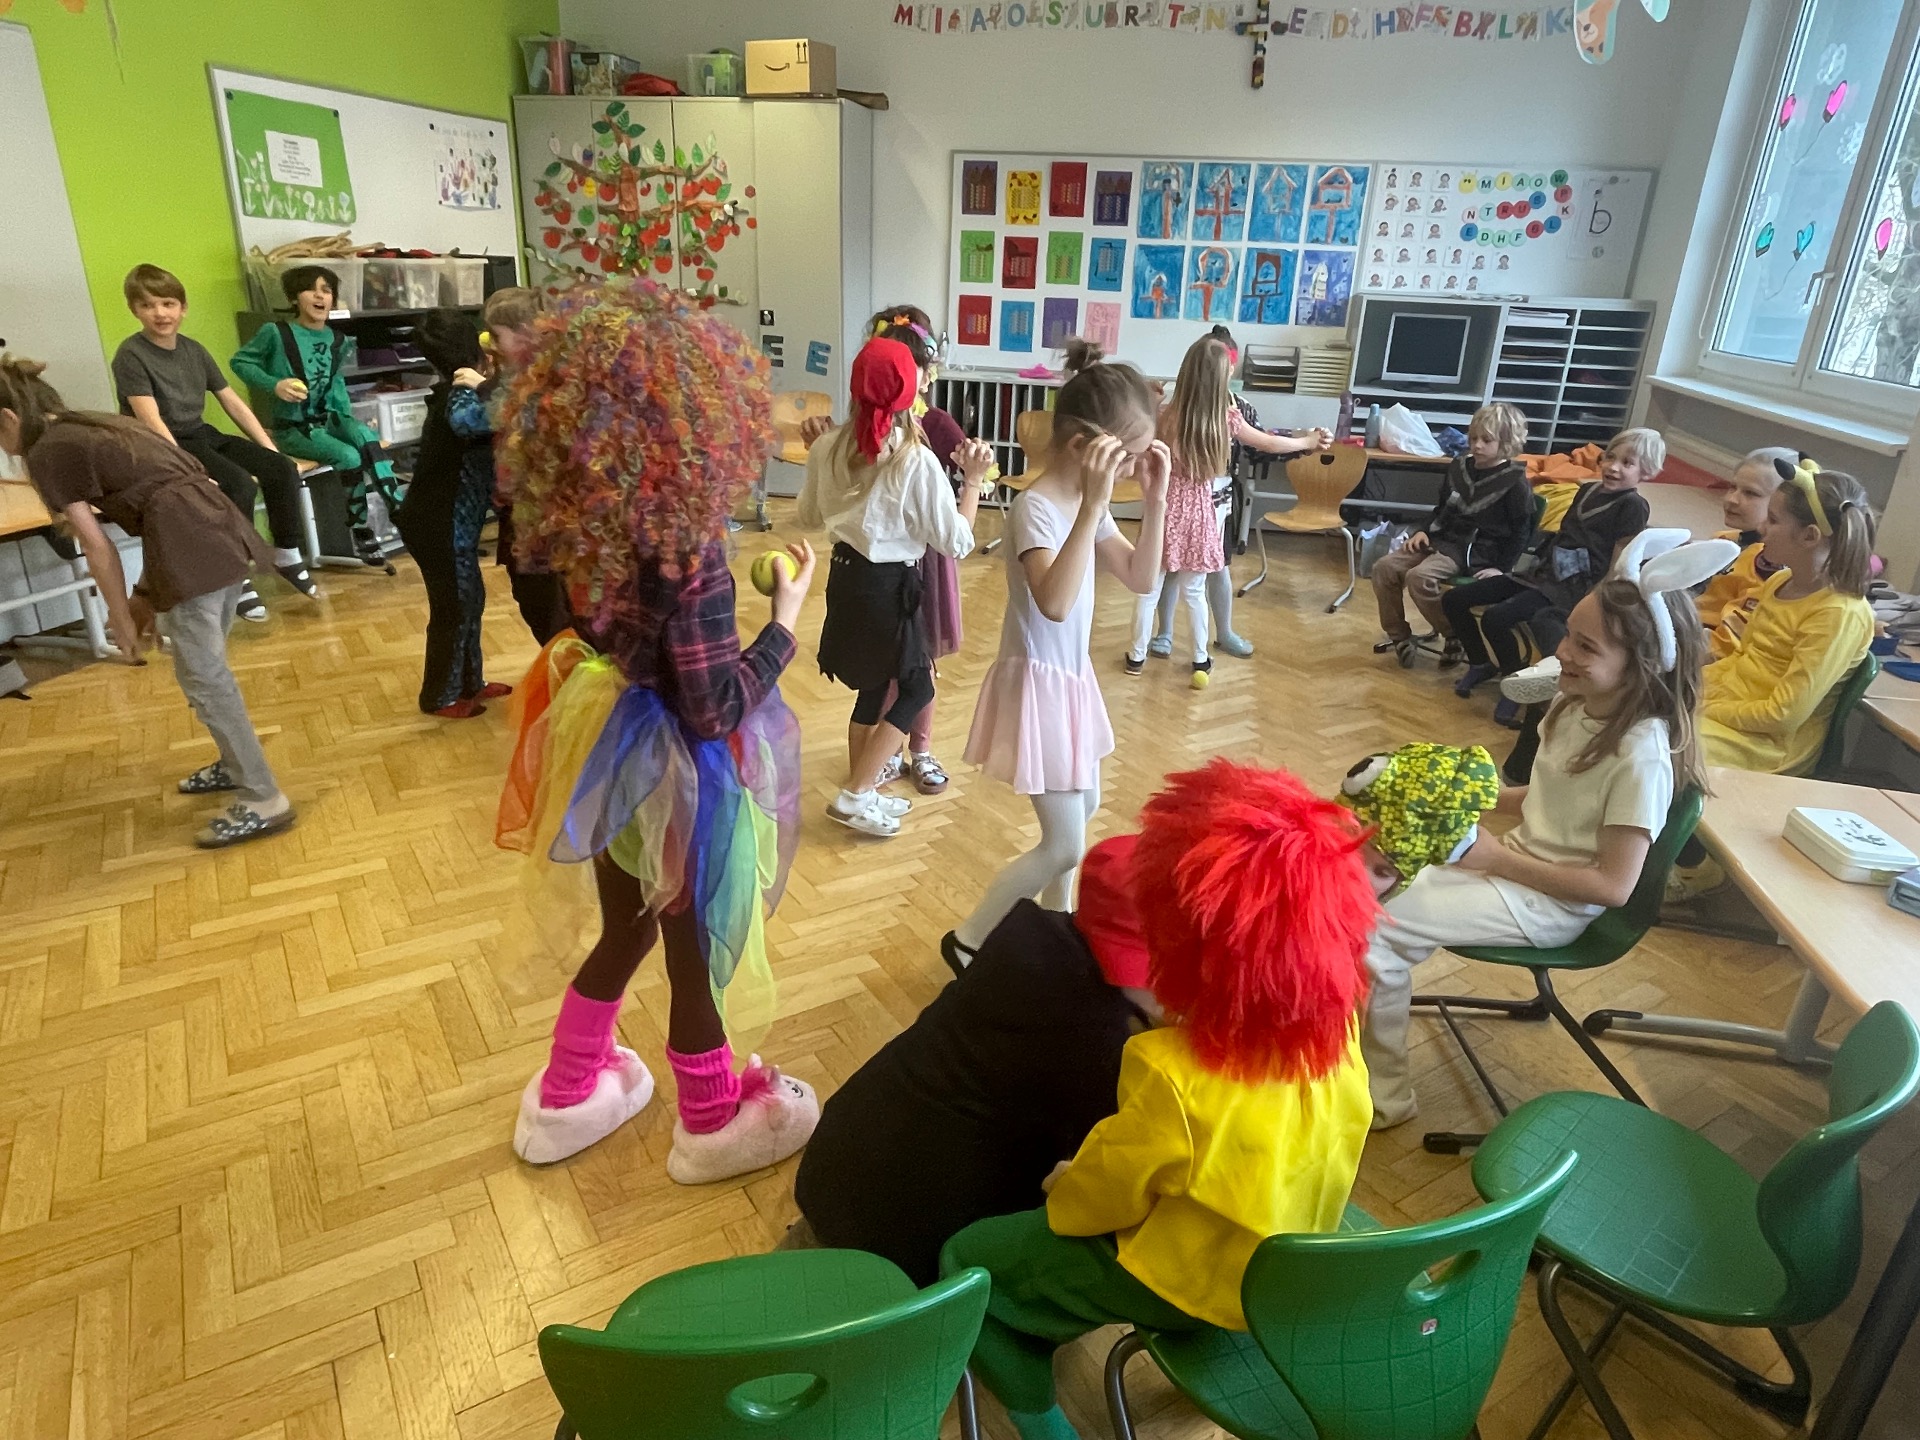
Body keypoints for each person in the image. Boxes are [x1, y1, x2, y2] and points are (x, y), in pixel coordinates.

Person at [939, 761, 1379, 1440]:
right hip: (1287, 1258)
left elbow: (1099, 1201)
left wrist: (1063, 1187)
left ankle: (1043, 1421)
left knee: (969, 1259)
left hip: (1189, 1282)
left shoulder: (1169, 1072)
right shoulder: (1340, 1027)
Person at [497, 280, 820, 1183]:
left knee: (625, 929)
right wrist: (785, 625)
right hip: (680, 774)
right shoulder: (693, 557)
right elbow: (713, 709)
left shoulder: (587, 530)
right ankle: (709, 1117)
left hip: (609, 748)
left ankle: (567, 1088)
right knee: (690, 950)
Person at [1363, 531, 1731, 1128]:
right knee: (1367, 887)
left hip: (1552, 905)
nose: (1562, 651)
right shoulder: (1572, 703)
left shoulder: (1640, 756)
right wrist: (1461, 801)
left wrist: (1494, 861)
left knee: (1372, 937)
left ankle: (1384, 1099)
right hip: (1515, 864)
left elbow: (1613, 887)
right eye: (1568, 635)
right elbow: (1549, 797)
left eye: (1585, 646)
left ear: (1640, 667)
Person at [788, 836, 1159, 1285]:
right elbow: (1106, 1172)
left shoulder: (1030, 933)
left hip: (842, 1152)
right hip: (906, 1236)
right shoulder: (1100, 1034)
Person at [1, 355, 297, 848]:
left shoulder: (49, 450)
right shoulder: (89, 425)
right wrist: (143, 597)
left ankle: (265, 798)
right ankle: (234, 765)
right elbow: (162, 500)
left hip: (191, 539)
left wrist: (119, 617)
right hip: (217, 527)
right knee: (200, 669)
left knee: (205, 676)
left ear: (9, 418)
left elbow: (97, 546)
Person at [946, 359, 1170, 973]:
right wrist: (1094, 507)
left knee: (1085, 809)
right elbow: (1054, 601)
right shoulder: (1037, 508)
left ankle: (1057, 925)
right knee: (1065, 843)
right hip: (1036, 684)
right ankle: (968, 939)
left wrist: (1154, 502)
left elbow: (1142, 577)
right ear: (1082, 449)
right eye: (1127, 458)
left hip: (1069, 681)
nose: (1132, 470)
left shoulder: (1086, 504)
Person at [799, 336, 987, 838]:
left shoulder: (826, 446)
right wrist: (972, 480)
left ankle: (864, 790)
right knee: (917, 686)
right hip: (889, 587)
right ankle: (855, 793)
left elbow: (809, 515)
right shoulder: (915, 459)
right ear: (911, 392)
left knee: (874, 685)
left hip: (845, 580)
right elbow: (956, 542)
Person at [1667, 464, 1878, 900]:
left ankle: (1696, 864)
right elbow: (1742, 660)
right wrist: (1685, 687)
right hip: (1731, 711)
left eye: (1775, 520)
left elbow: (1783, 715)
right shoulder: (1781, 581)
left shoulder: (1838, 613)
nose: (1763, 526)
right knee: (1636, 715)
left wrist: (1701, 706)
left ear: (1810, 536)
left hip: (1770, 742)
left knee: (1660, 747)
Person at [112, 263, 318, 620]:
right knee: (237, 484)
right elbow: (150, 420)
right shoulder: (131, 355)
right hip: (161, 444)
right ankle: (236, 573)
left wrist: (269, 449)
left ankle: (286, 554)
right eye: (148, 305)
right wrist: (186, 466)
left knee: (281, 468)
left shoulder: (194, 350)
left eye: (167, 304)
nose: (160, 313)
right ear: (134, 310)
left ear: (183, 308)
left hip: (200, 434)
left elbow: (232, 402)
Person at [1443, 427, 1659, 726]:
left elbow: (1621, 559)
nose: (1613, 467)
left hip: (1574, 588)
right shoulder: (1586, 490)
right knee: (1455, 599)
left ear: (1646, 472)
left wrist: (1597, 599)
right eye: (1610, 457)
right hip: (1541, 573)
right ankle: (1481, 663)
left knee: (1497, 618)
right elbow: (1563, 536)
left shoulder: (1632, 505)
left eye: (1627, 463)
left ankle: (1516, 682)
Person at [1140, 324, 1331, 663]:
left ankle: (1222, 632)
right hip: (1187, 501)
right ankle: (1166, 634)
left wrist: (1305, 443)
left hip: (1216, 505)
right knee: (1174, 571)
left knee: (1216, 568)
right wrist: (1307, 441)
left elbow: (1266, 446)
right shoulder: (1176, 411)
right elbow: (1268, 443)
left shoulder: (1236, 409)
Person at [231, 265, 404, 568]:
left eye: (326, 290)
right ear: (293, 298)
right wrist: (275, 385)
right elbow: (240, 362)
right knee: (348, 456)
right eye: (311, 289)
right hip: (293, 428)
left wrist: (347, 422)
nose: (320, 296)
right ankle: (360, 528)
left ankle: (401, 511)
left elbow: (336, 383)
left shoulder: (338, 339)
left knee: (366, 436)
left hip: (330, 419)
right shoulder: (276, 333)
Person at [392, 309, 509, 718]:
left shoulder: (462, 386)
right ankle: (439, 696)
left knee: (469, 600)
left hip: (443, 523)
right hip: (438, 525)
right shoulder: (461, 390)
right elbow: (466, 422)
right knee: (454, 608)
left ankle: (470, 683)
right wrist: (492, 387)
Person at [1373, 401, 1531, 669]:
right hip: (1440, 539)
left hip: (1474, 549)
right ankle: (1399, 636)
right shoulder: (1459, 467)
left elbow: (1522, 531)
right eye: (1473, 438)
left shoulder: (1514, 481)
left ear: (1506, 443)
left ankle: (1455, 634)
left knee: (1419, 577)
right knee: (1383, 567)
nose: (1477, 445)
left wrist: (1502, 569)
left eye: (1486, 440)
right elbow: (1441, 509)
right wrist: (1422, 531)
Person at [1123, 335, 1233, 680]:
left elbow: (1145, 448)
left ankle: (1136, 657)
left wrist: (1153, 402)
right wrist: (1307, 440)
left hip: (1163, 508)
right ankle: (1200, 658)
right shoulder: (1223, 422)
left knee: (1148, 589)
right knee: (1195, 592)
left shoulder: (1165, 416)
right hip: (1199, 515)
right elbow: (1269, 443)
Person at [481, 287, 572, 646]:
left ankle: (568, 672)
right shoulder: (524, 382)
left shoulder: (540, 390)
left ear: (524, 336)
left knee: (551, 614)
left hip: (541, 526)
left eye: (497, 335)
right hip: (531, 522)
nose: (490, 344)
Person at [1697, 445, 1797, 646]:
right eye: (1733, 487)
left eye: (1751, 493)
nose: (1731, 499)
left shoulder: (1768, 569)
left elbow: (1731, 639)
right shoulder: (1724, 539)